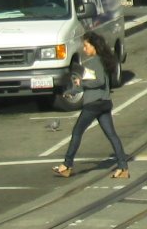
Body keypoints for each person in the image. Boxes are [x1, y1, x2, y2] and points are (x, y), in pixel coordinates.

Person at [52, 31, 131, 179]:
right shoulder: (104, 60)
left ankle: (66, 166)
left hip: (93, 104)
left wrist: (81, 83)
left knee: (77, 132)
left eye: (86, 46)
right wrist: (73, 90)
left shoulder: (95, 62)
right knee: (112, 135)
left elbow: (98, 81)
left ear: (94, 46)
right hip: (105, 102)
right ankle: (123, 168)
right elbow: (92, 82)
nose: (84, 49)